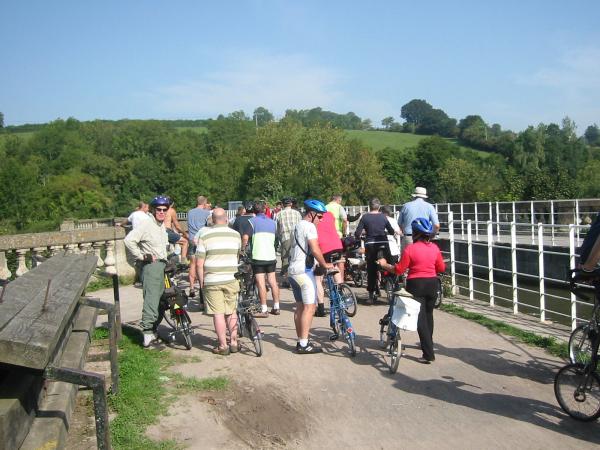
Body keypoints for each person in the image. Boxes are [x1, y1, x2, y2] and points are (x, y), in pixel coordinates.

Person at [377, 218, 446, 363]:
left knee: (420, 319)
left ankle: (428, 354)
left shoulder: (410, 249)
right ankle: (428, 343)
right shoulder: (434, 248)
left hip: (416, 285)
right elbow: (441, 268)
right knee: (429, 315)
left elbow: (399, 269)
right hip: (432, 284)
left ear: (415, 233)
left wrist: (384, 265)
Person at [124, 195, 170, 348]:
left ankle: (153, 330)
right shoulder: (146, 224)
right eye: (159, 209)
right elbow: (129, 240)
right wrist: (142, 256)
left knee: (162, 301)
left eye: (164, 209)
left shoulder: (160, 225)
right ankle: (148, 334)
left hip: (161, 265)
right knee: (151, 299)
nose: (161, 212)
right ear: (153, 209)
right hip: (151, 266)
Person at [288, 199, 333, 354]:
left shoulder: (298, 225)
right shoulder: (309, 226)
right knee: (310, 307)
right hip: (303, 272)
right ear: (311, 214)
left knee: (300, 307)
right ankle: (304, 344)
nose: (321, 220)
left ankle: (301, 340)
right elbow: (314, 248)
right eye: (319, 216)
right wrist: (324, 264)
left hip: (293, 271)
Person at [195, 208, 242, 355]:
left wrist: (201, 282)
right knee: (231, 311)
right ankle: (233, 342)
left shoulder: (204, 236)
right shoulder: (236, 235)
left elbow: (199, 263)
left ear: (212, 220)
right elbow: (237, 256)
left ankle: (223, 345)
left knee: (218, 313)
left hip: (212, 279)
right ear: (226, 218)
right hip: (231, 278)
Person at [241, 201, 281, 316]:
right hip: (271, 256)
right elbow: (276, 239)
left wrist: (242, 249)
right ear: (264, 210)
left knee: (261, 282)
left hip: (258, 256)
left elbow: (245, 237)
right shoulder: (273, 222)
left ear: (254, 210)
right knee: (273, 281)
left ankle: (264, 309)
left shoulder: (252, 221)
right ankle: (276, 307)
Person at [354, 198, 396, 304]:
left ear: (369, 206)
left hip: (371, 245)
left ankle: (371, 296)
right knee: (388, 265)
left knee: (371, 270)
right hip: (383, 244)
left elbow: (358, 233)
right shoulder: (383, 217)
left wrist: (360, 237)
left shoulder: (365, 217)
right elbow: (391, 231)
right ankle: (391, 285)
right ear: (379, 206)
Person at [314, 210, 344, 317]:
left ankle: (320, 308)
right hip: (337, 245)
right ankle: (341, 296)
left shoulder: (314, 216)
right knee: (334, 266)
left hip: (323, 246)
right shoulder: (330, 214)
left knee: (318, 278)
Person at [397, 187, 440, 254]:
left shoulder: (406, 206)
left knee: (405, 259)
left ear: (414, 196)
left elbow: (399, 223)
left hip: (408, 237)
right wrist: (432, 235)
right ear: (424, 197)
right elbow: (436, 225)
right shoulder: (430, 207)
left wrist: (404, 232)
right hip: (424, 238)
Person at [187, 196, 211, 298]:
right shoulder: (206, 213)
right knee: (202, 265)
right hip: (201, 240)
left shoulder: (190, 212)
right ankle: (203, 288)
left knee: (192, 264)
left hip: (192, 239)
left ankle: (192, 287)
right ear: (204, 203)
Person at [276, 197, 302, 288]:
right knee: (296, 258)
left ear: (282, 205)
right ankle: (297, 278)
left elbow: (277, 229)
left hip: (285, 238)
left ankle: (288, 281)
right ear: (291, 204)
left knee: (286, 259)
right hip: (297, 238)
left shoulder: (279, 214)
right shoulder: (297, 213)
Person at [164, 198, 189, 263]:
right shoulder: (171, 210)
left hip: (160, 231)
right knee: (185, 242)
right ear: (172, 204)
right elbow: (177, 226)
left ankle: (170, 257)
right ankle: (183, 262)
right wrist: (185, 233)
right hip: (167, 231)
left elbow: (172, 226)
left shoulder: (160, 210)